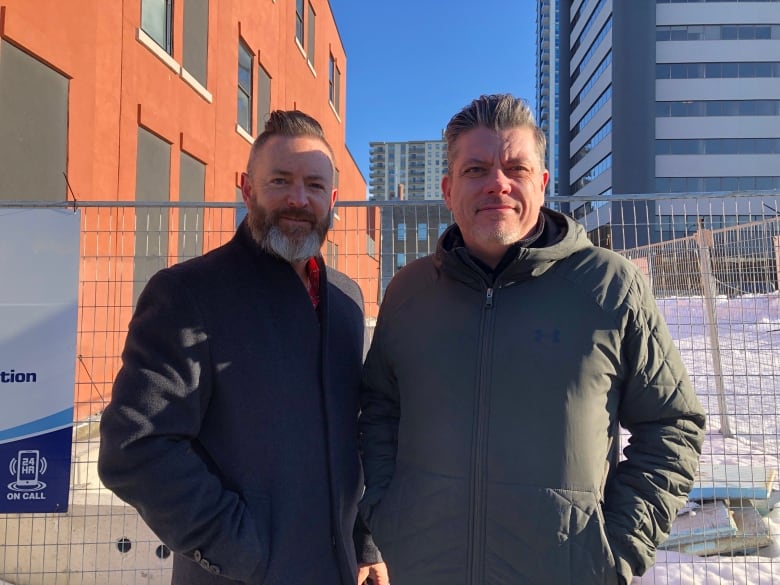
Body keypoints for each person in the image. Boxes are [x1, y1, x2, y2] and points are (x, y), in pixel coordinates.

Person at [358, 94, 706, 585]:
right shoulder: (408, 291)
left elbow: (672, 425)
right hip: (424, 568)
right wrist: (386, 513)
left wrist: (615, 551)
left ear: (541, 185)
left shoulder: (608, 285)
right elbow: (379, 408)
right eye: (475, 169)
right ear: (447, 188)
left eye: (515, 168)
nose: (497, 183)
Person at [99, 110, 387, 585]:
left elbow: (351, 431)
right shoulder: (188, 294)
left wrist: (364, 542)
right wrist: (240, 551)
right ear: (247, 188)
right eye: (280, 181)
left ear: (332, 199)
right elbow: (135, 447)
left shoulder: (347, 300)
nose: (299, 199)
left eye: (314, 186)